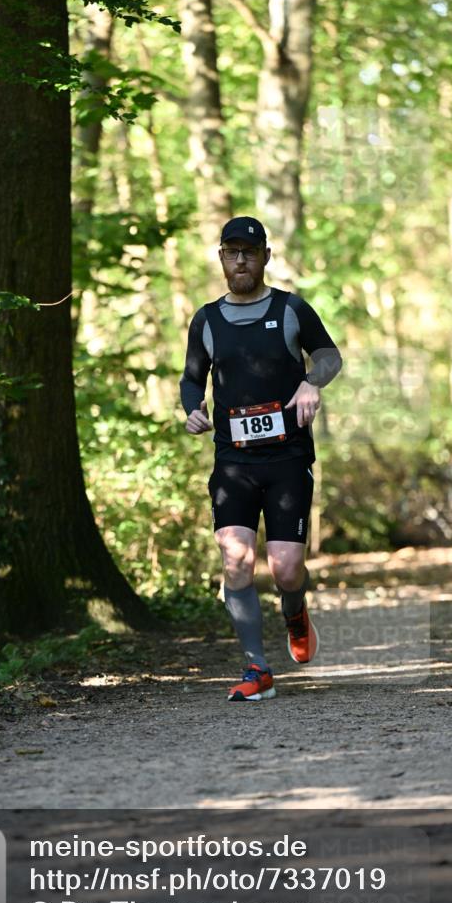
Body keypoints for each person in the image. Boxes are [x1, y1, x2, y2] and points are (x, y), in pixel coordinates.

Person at [180, 217, 343, 702]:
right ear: (222, 259)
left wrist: (311, 381)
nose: (241, 260)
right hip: (233, 461)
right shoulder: (206, 320)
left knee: (287, 568)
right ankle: (257, 669)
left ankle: (294, 610)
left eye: (250, 252)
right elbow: (192, 377)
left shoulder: (292, 309)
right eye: (232, 252)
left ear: (265, 257)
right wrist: (193, 407)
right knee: (236, 559)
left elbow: (330, 356)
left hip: (289, 457)